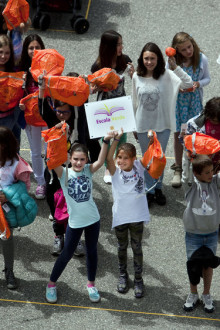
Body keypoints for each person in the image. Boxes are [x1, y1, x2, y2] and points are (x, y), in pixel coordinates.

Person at [45, 132, 114, 304]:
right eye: (75, 159)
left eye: (82, 159)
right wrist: (59, 135)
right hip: (75, 223)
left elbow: (100, 160)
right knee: (66, 254)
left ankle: (91, 284)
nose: (78, 162)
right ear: (69, 158)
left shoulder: (88, 170)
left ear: (86, 160)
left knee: (92, 252)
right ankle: (51, 284)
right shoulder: (63, 173)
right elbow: (51, 159)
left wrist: (106, 140)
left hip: (93, 220)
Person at [132, 42, 193, 206]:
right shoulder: (136, 76)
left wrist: (175, 67)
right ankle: (149, 190)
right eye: (146, 58)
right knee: (147, 159)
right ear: (141, 59)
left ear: (159, 59)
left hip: (163, 125)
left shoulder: (167, 75)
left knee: (159, 158)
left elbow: (188, 84)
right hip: (143, 125)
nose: (149, 62)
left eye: (152, 58)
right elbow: (134, 102)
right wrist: (133, 125)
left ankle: (157, 188)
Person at [38, 72, 86, 257]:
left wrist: (82, 86)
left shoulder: (76, 122)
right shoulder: (53, 121)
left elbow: (81, 107)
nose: (61, 115)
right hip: (54, 171)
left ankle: (76, 238)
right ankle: (59, 234)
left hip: (74, 171)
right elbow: (42, 108)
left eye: (65, 112)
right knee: (54, 200)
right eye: (59, 112)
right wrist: (42, 86)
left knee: (75, 202)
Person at [106, 129, 150, 298]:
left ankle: (138, 279)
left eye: (125, 158)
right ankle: (123, 275)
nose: (121, 161)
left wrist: (151, 140)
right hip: (121, 217)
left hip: (137, 217)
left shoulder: (139, 166)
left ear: (133, 159)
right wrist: (115, 140)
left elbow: (152, 154)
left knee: (137, 247)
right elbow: (108, 158)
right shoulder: (115, 170)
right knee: (121, 247)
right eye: (120, 157)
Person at [91, 30, 134, 184]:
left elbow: (135, 80)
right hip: (105, 105)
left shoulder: (125, 60)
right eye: (118, 44)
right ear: (109, 47)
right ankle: (109, 167)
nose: (121, 47)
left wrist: (133, 74)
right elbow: (92, 87)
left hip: (121, 103)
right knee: (107, 136)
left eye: (121, 43)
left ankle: (120, 164)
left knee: (122, 135)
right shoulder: (98, 65)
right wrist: (97, 87)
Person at [168, 32, 210, 188]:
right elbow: (168, 79)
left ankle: (195, 168)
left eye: (189, 47)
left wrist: (198, 84)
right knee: (180, 135)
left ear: (193, 44)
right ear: (177, 50)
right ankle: (178, 168)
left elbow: (207, 78)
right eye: (183, 49)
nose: (188, 51)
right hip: (179, 105)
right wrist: (177, 88)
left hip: (194, 104)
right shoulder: (172, 62)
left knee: (195, 137)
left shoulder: (201, 59)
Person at [183, 154, 220, 313]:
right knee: (193, 265)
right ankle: (193, 294)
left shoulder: (216, 183)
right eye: (206, 172)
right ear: (196, 174)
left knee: (208, 264)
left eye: (212, 171)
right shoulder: (191, 185)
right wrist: (187, 154)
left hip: (212, 233)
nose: (211, 174)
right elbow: (186, 172)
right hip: (193, 234)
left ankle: (206, 294)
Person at [0, 126, 33, 289]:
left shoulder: (17, 163)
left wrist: (7, 195)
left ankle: (9, 271)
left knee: (6, 240)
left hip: (4, 211)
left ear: (4, 145)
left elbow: (25, 188)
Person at [19, 34, 47, 199]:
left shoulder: (50, 66)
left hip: (48, 117)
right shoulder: (21, 70)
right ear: (26, 50)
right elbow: (16, 94)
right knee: (36, 153)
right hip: (31, 119)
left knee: (49, 151)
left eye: (37, 47)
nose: (35, 50)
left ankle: (51, 181)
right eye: (31, 48)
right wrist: (21, 104)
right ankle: (41, 183)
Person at [182, 97, 220, 184]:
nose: (216, 123)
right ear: (207, 114)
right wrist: (188, 149)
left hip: (217, 164)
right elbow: (183, 132)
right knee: (200, 190)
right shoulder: (194, 122)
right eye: (214, 121)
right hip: (201, 165)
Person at [0, 34, 22, 146]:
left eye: (7, 53)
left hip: (12, 115)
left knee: (13, 145)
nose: (3, 56)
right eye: (1, 52)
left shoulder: (15, 69)